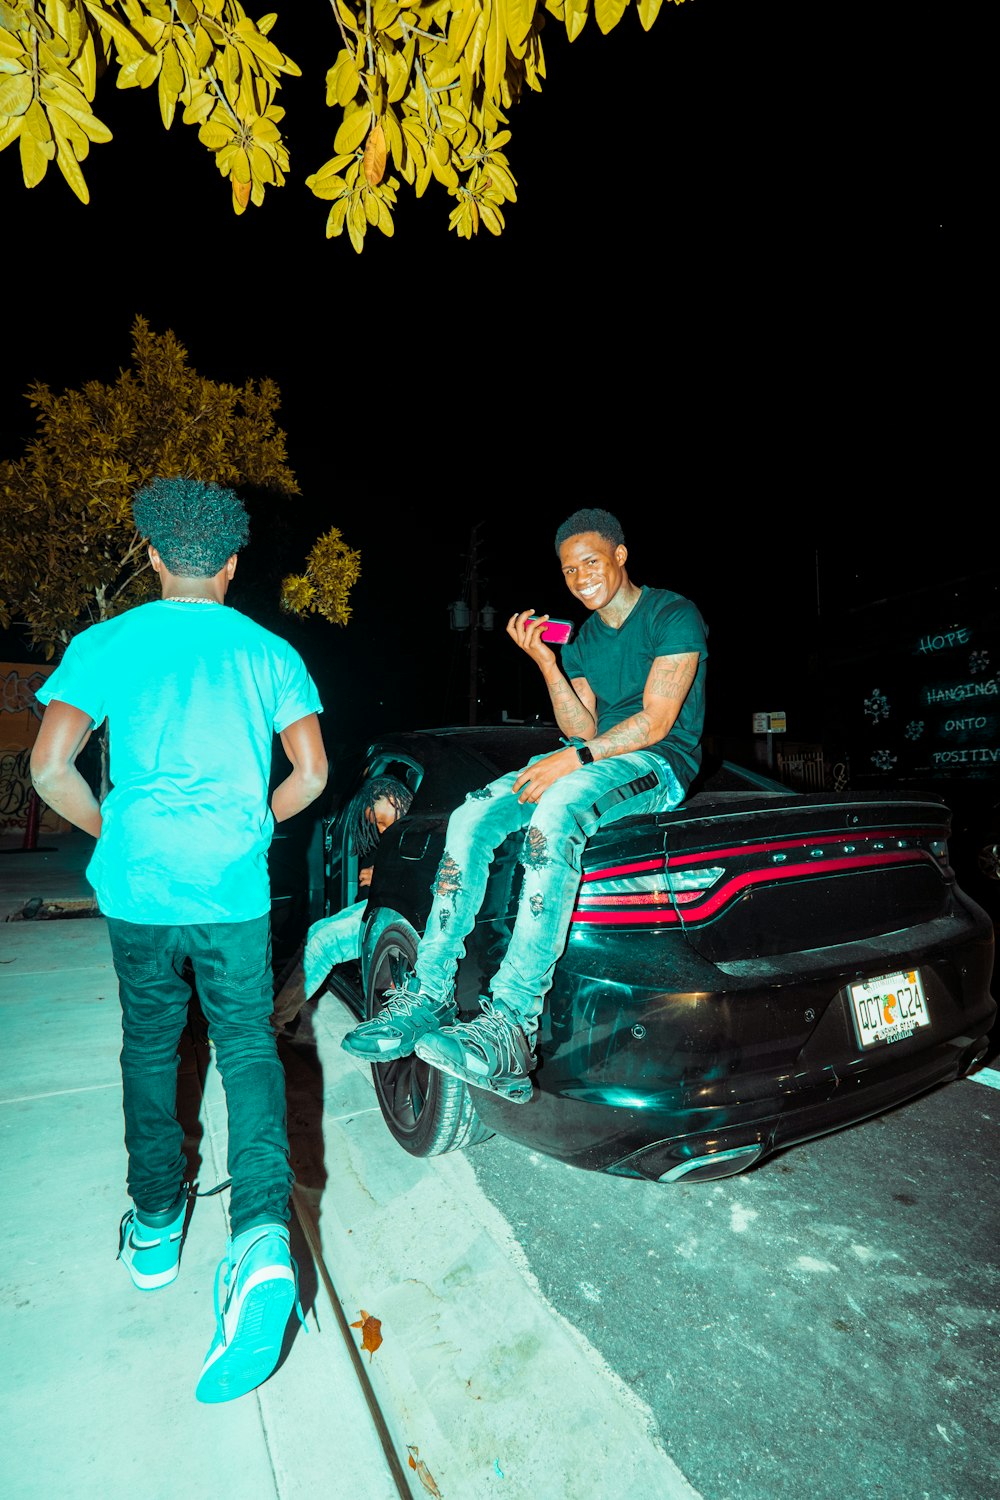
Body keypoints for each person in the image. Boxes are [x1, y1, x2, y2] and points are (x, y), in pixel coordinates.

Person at [30, 477, 328, 1405]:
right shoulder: (269, 650)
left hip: (140, 888)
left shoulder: (104, 643)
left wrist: (113, 833)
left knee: (152, 1042)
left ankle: (156, 1225)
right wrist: (249, 824)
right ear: (234, 565)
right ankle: (260, 1240)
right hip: (231, 888)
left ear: (154, 556)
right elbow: (313, 774)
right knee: (246, 1045)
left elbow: (49, 768)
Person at [340, 506, 708, 1103]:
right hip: (592, 757)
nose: (580, 577)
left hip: (658, 765)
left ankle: (512, 1024)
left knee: (556, 810)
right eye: (568, 570)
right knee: (471, 814)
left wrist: (578, 760)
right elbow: (579, 723)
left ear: (620, 555)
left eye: (591, 561)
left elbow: (657, 720)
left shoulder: (672, 614)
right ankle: (426, 994)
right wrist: (546, 662)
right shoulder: (585, 638)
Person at [271, 775, 414, 1034]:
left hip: (400, 916)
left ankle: (271, 1024)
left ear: (398, 800)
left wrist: (381, 876)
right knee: (316, 932)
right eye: (377, 825)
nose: (382, 830)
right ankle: (274, 1008)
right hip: (382, 906)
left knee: (323, 943)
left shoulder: (421, 826)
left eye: (382, 821)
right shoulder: (402, 830)